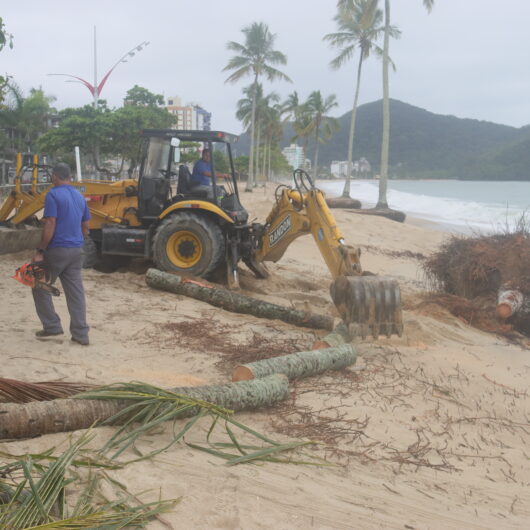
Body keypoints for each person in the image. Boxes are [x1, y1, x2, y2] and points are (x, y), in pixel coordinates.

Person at [32, 163, 91, 345]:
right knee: (76, 293)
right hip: (76, 251)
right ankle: (81, 334)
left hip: (57, 249)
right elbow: (86, 227)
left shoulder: (53, 194)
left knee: (38, 284)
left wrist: (41, 250)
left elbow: (50, 223)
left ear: (55, 176)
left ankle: (52, 326)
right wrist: (76, 241)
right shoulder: (79, 197)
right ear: (69, 176)